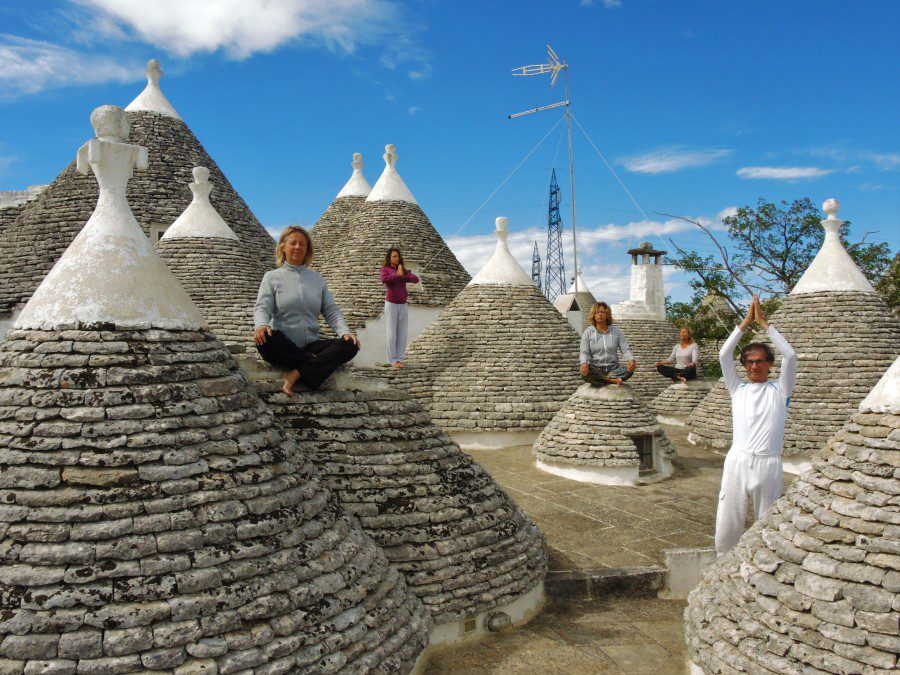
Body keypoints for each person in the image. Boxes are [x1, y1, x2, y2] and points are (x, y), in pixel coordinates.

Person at [714, 294, 797, 556]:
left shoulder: (780, 390)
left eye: (760, 361)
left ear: (770, 364)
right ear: (744, 366)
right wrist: (744, 324)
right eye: (750, 361)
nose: (755, 366)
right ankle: (721, 564)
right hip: (737, 461)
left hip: (768, 464)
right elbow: (724, 354)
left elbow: (790, 355)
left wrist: (764, 325)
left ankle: (763, 566)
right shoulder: (737, 389)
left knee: (767, 524)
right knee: (728, 523)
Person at [253, 225, 360, 396]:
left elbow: (331, 310)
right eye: (293, 243)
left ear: (307, 248)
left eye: (302, 244)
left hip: (312, 344)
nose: (297, 247)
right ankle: (314, 364)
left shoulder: (317, 279)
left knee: (350, 344)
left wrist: (345, 332)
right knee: (265, 339)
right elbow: (262, 306)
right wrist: (261, 324)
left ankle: (296, 373)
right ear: (283, 246)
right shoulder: (271, 277)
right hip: (284, 343)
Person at [579, 301, 637, 385]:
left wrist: (631, 359)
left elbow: (625, 349)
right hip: (596, 368)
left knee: (630, 370)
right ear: (593, 315)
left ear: (607, 314)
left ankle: (603, 379)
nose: (600, 314)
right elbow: (584, 352)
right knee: (585, 373)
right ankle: (611, 380)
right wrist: (584, 363)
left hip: (613, 369)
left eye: (602, 312)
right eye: (597, 312)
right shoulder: (588, 332)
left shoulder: (616, 331)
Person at [379, 247, 419, 368]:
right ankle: (392, 360)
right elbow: (384, 279)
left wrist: (404, 275)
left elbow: (416, 279)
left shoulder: (402, 270)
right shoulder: (385, 269)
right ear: (389, 258)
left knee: (402, 333)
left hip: (403, 304)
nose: (396, 258)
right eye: (394, 256)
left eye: (398, 256)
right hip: (391, 304)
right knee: (392, 333)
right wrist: (397, 275)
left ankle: (400, 359)